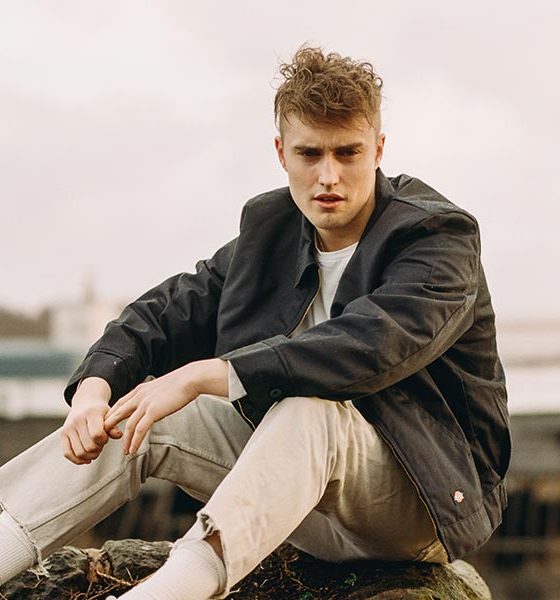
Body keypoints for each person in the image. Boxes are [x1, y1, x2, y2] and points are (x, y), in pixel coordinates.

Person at [0, 47, 510, 600]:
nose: (328, 176)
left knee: (310, 408)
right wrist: (98, 385)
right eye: (309, 154)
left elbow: (372, 346)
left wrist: (205, 374)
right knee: (141, 411)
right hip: (300, 502)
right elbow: (172, 308)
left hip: (417, 503)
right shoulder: (270, 230)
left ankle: (168, 592)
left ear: (379, 150)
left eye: (349, 153)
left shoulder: (438, 236)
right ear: (280, 152)